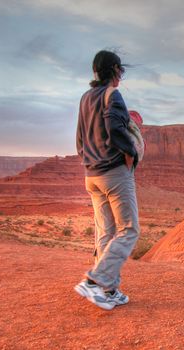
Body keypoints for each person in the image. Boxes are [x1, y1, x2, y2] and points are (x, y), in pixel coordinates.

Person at [74, 50, 139, 310]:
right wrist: (130, 152)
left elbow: (79, 139)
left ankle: (108, 290)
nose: (120, 77)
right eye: (120, 71)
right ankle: (94, 281)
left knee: (106, 232)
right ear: (113, 70)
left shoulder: (85, 97)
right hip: (114, 173)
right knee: (129, 230)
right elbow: (115, 129)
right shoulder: (113, 95)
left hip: (91, 175)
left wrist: (88, 160)